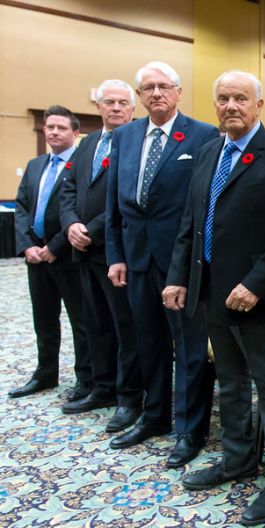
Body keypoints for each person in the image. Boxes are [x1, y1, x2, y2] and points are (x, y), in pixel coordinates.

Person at [163, 71, 265, 526]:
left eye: (240, 98)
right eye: (222, 98)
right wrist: (179, 277)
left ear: (259, 105)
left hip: (257, 298)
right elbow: (192, 221)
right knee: (230, 381)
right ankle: (239, 457)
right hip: (210, 292)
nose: (230, 106)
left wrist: (257, 282)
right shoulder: (208, 152)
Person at [105, 61, 219, 466]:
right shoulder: (125, 135)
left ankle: (190, 430)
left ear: (178, 91)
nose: (156, 93)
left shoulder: (204, 135)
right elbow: (114, 203)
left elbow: (204, 205)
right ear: (140, 96)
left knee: (189, 349)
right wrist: (115, 254)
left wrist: (194, 263)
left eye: (164, 86)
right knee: (147, 342)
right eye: (148, 88)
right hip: (136, 260)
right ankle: (154, 416)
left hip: (182, 263)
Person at [58, 80, 142, 432]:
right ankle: (102, 386)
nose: (117, 108)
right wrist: (71, 225)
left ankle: (128, 397)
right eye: (110, 102)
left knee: (126, 329)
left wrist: (90, 229)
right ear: (98, 106)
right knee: (96, 325)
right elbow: (68, 189)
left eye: (124, 102)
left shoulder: (137, 142)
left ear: (133, 109)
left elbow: (130, 197)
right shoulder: (88, 143)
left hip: (117, 252)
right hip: (83, 253)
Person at [11, 106, 90, 401]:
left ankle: (86, 378)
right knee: (43, 319)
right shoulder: (35, 165)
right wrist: (27, 245)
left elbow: (79, 211)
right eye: (50, 127)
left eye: (61, 128)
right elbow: (21, 207)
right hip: (36, 257)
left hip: (67, 256)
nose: (54, 132)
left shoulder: (82, 167)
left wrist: (55, 246)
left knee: (81, 322)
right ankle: (45, 373)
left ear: (75, 133)